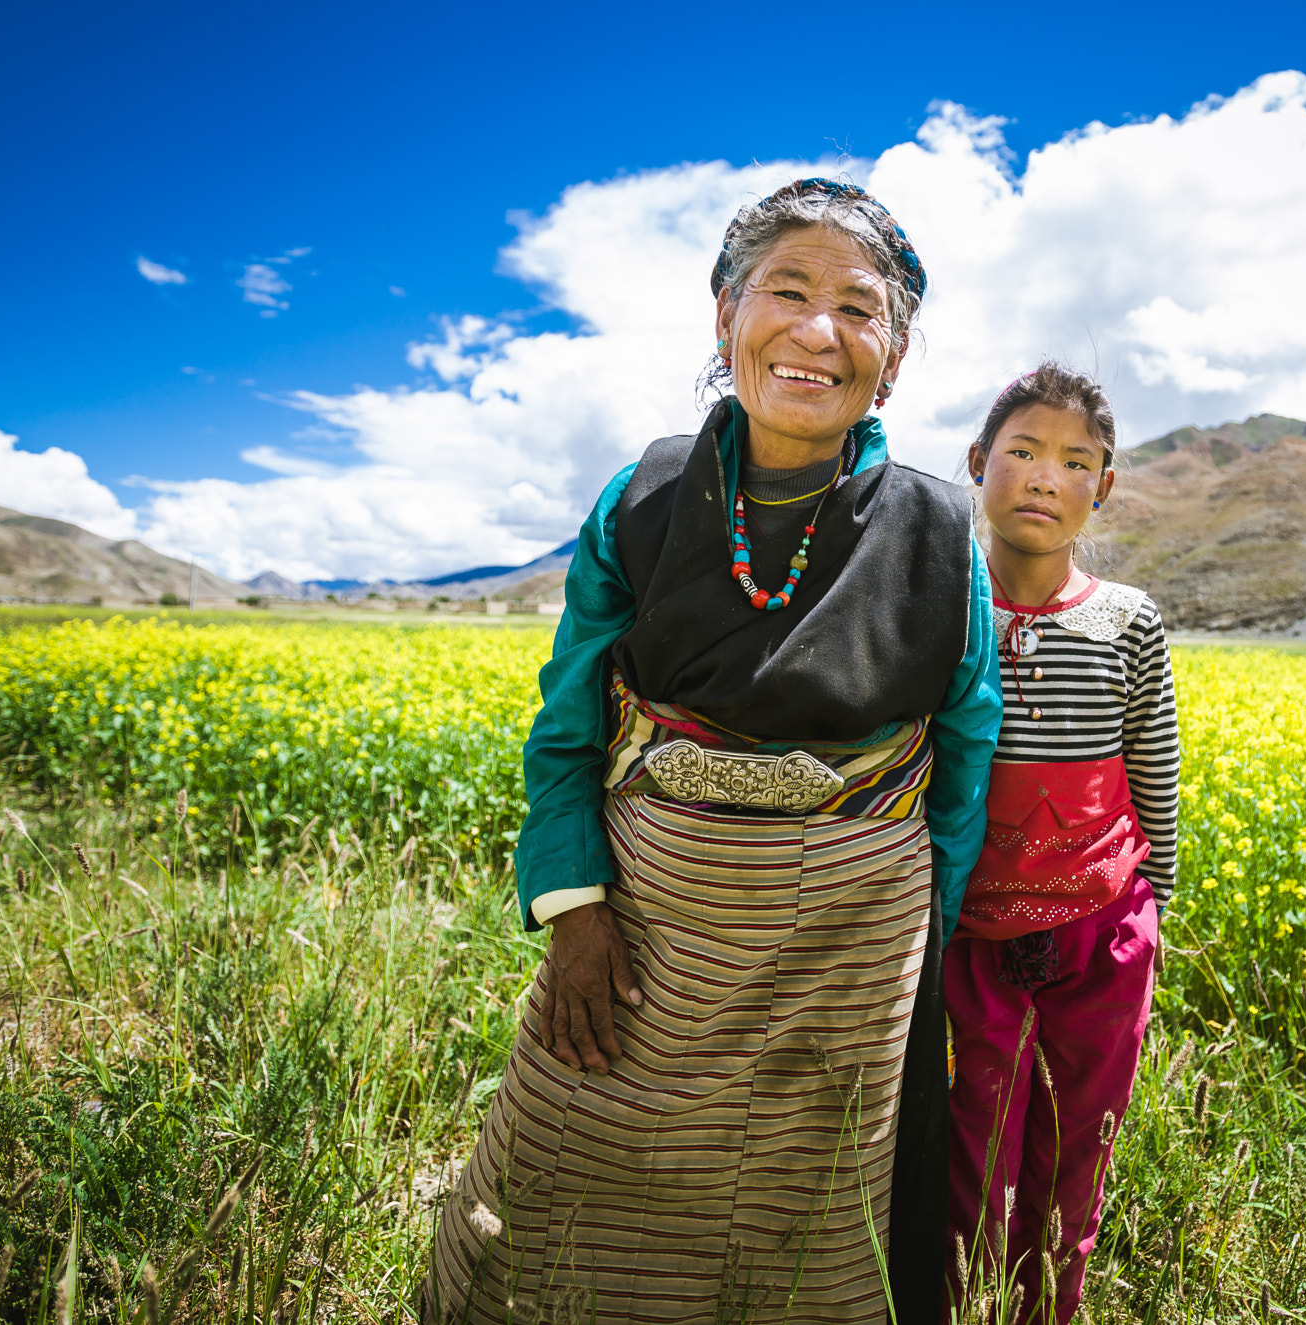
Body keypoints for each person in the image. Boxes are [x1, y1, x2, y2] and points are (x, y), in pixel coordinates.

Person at [423, 177, 1001, 1325]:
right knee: (557, 1192)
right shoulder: (639, 499)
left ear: (891, 359)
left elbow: (964, 747)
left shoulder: (939, 527)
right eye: (785, 291)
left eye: (859, 308)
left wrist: (914, 943)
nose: (816, 331)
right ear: (725, 313)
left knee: (806, 1226)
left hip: (849, 960)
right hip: (639, 947)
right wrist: (574, 916)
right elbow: (568, 723)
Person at [945, 364, 1180, 1323]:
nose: (1046, 477)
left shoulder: (1129, 620)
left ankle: (1052, 1303)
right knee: (975, 1132)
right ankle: (963, 1301)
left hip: (1103, 928)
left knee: (1082, 1129)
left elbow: (1154, 768)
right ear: (977, 464)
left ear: (1103, 487)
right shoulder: (938, 604)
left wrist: (1155, 899)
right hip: (971, 926)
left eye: (1076, 461)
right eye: (1024, 451)